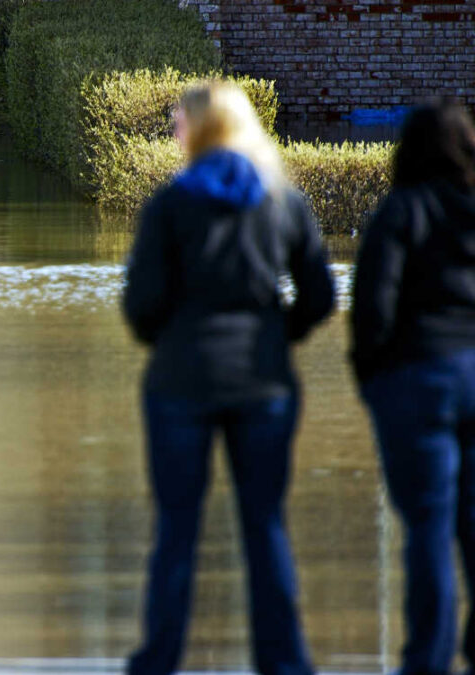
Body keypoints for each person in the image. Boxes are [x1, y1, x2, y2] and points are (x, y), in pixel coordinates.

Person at [122, 81, 334, 675]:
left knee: (176, 533)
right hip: (263, 382)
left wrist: (169, 339)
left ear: (203, 130)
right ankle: (286, 664)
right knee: (265, 526)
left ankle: (156, 663)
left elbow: (140, 304)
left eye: (178, 123)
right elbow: (319, 295)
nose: (173, 132)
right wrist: (275, 332)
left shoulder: (170, 203)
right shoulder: (282, 199)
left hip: (180, 381)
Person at [351, 102, 475, 675]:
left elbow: (373, 310)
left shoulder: (400, 212)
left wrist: (373, 380)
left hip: (419, 377)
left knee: (427, 527)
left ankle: (426, 660)